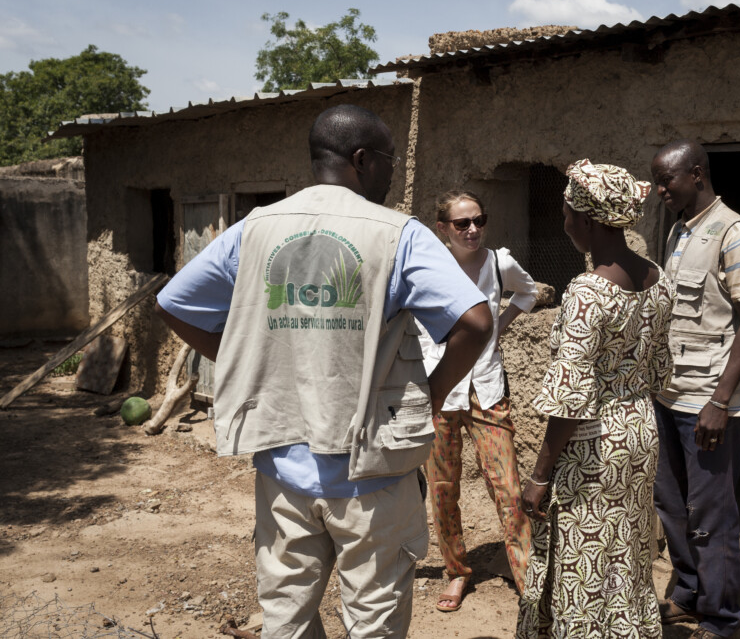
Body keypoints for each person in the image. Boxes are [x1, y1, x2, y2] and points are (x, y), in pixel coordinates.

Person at [154, 104, 493, 639]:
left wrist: (249, 359)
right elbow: (475, 321)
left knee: (285, 618)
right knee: (373, 621)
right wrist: (431, 394)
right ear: (361, 160)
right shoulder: (397, 234)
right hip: (372, 473)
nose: (392, 173)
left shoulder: (257, 227)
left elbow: (174, 302)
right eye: (388, 161)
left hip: (282, 470)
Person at [516, 159, 674, 638]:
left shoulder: (587, 293)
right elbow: (661, 371)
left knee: (581, 561)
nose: (564, 224)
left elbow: (569, 398)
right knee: (623, 553)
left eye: (567, 214)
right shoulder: (657, 277)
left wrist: (540, 475)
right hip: (640, 435)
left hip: (594, 446)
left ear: (587, 220)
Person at [649, 140, 740, 639]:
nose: (658, 191)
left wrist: (720, 401)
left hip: (708, 400)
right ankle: (688, 594)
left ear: (696, 174)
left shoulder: (736, 233)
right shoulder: (678, 230)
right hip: (669, 391)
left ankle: (722, 621)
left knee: (711, 513)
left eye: (666, 181)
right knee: (671, 506)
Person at [421, 190, 538, 611]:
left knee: (507, 487)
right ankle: (456, 572)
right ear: (443, 228)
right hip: (440, 390)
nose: (472, 230)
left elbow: (528, 293)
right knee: (443, 489)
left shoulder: (498, 262)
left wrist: (497, 328)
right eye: (461, 223)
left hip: (487, 388)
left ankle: (528, 576)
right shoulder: (428, 268)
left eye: (479, 220)